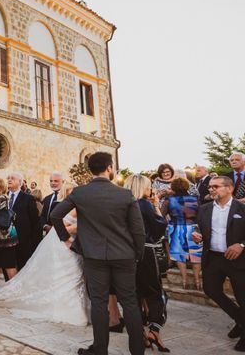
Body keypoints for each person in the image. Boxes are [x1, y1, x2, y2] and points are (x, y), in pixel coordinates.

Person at [51, 151, 146, 355]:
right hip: (124, 255)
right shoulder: (125, 194)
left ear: (90, 169)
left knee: (99, 303)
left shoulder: (80, 193)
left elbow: (55, 214)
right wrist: (137, 254)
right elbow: (138, 229)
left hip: (94, 256)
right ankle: (137, 351)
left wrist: (66, 239)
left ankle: (100, 350)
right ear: (109, 168)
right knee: (129, 302)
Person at [0, 182, 90, 326]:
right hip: (63, 244)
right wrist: (79, 227)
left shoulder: (79, 206)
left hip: (70, 245)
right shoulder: (72, 208)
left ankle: (74, 308)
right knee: (66, 274)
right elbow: (62, 226)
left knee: (73, 276)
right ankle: (65, 308)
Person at [192, 176, 245, 351]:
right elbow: (198, 228)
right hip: (213, 257)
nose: (211, 189)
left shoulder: (241, 208)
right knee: (211, 290)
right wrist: (197, 235)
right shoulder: (204, 209)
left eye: (216, 186)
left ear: (229, 188)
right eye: (210, 187)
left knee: (242, 296)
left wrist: (242, 245)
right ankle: (240, 319)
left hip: (237, 259)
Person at [123, 174, 169, 352]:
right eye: (149, 186)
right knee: (155, 293)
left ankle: (139, 332)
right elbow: (159, 227)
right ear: (143, 187)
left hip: (126, 254)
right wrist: (156, 205)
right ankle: (154, 329)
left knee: (133, 295)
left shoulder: (123, 205)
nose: (151, 190)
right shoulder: (144, 204)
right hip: (146, 252)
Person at [161, 176, 202, 289]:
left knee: (180, 256)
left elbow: (161, 215)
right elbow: (200, 215)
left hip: (175, 228)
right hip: (193, 228)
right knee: (196, 255)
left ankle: (184, 281)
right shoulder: (195, 199)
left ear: (173, 187)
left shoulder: (169, 200)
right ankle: (197, 281)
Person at [7, 172, 42, 271]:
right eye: (8, 178)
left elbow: (35, 221)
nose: (9, 180)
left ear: (20, 182)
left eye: (12, 178)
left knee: (23, 267)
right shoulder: (3, 197)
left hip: (23, 240)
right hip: (5, 239)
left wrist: (35, 242)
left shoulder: (28, 198)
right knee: (7, 267)